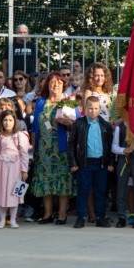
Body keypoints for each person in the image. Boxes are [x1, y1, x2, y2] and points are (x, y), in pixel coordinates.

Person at [30, 72, 78, 225]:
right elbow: (35, 127)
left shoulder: (69, 101)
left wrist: (68, 123)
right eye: (52, 83)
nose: (55, 85)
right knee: (46, 181)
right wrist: (33, 150)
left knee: (62, 181)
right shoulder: (40, 103)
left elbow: (77, 125)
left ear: (63, 85)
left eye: (58, 83)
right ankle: (47, 213)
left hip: (62, 149)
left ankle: (62, 214)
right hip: (43, 149)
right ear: (47, 85)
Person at [68, 96, 115, 228]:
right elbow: (71, 144)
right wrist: (72, 162)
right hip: (85, 163)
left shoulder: (105, 125)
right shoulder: (79, 124)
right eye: (90, 108)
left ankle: (100, 217)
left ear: (100, 109)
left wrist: (111, 162)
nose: (93, 111)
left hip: (101, 163)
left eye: (95, 108)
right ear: (85, 109)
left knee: (100, 191)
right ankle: (81, 217)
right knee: (83, 190)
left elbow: (109, 145)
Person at [0, 110, 30, 229]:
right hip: (2, 167)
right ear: (1, 122)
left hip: (15, 168)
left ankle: (13, 220)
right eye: (5, 120)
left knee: (15, 193)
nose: (7, 123)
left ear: (15, 122)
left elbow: (24, 154)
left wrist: (24, 170)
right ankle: (2, 220)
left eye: (10, 120)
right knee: (2, 193)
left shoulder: (20, 136)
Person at [112, 121, 134, 228]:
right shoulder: (120, 128)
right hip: (124, 159)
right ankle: (121, 218)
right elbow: (114, 147)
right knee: (121, 188)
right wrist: (125, 150)